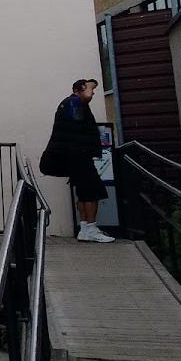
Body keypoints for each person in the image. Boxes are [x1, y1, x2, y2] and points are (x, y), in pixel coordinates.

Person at [40, 78, 114, 242]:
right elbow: (86, 97)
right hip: (79, 155)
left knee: (83, 192)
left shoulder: (69, 105)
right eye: (90, 90)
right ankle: (91, 228)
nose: (92, 93)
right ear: (80, 88)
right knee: (92, 191)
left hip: (74, 156)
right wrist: (91, 84)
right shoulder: (74, 102)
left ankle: (84, 229)